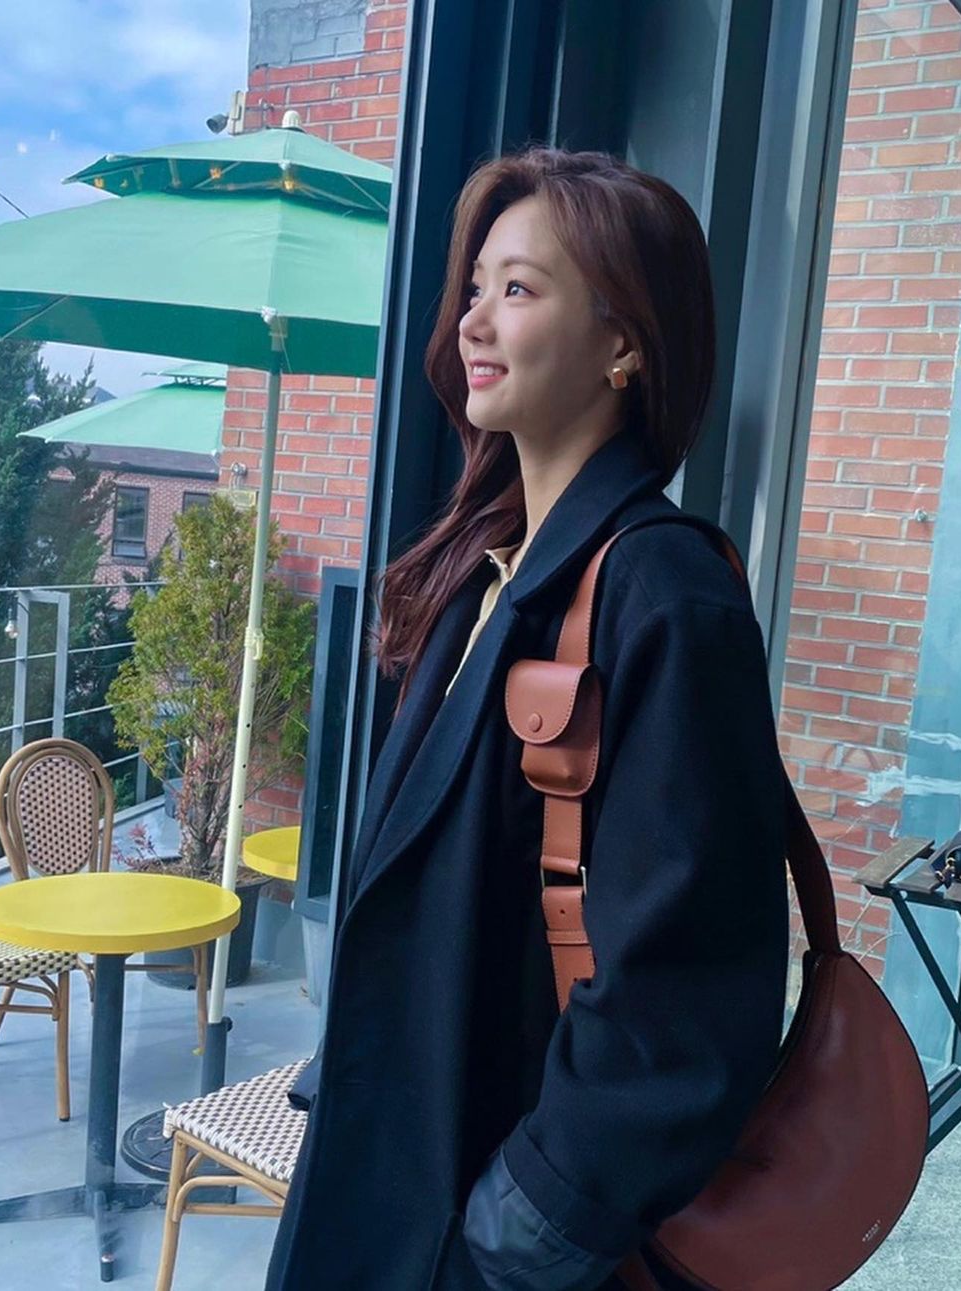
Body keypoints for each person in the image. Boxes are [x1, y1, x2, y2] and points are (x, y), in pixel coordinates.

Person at [265, 147, 790, 1291]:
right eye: (474, 288)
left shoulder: (662, 592)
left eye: (519, 288)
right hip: (401, 1173)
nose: (472, 321)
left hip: (488, 1230)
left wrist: (524, 1225)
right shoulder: (488, 574)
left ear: (623, 344)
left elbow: (686, 986)